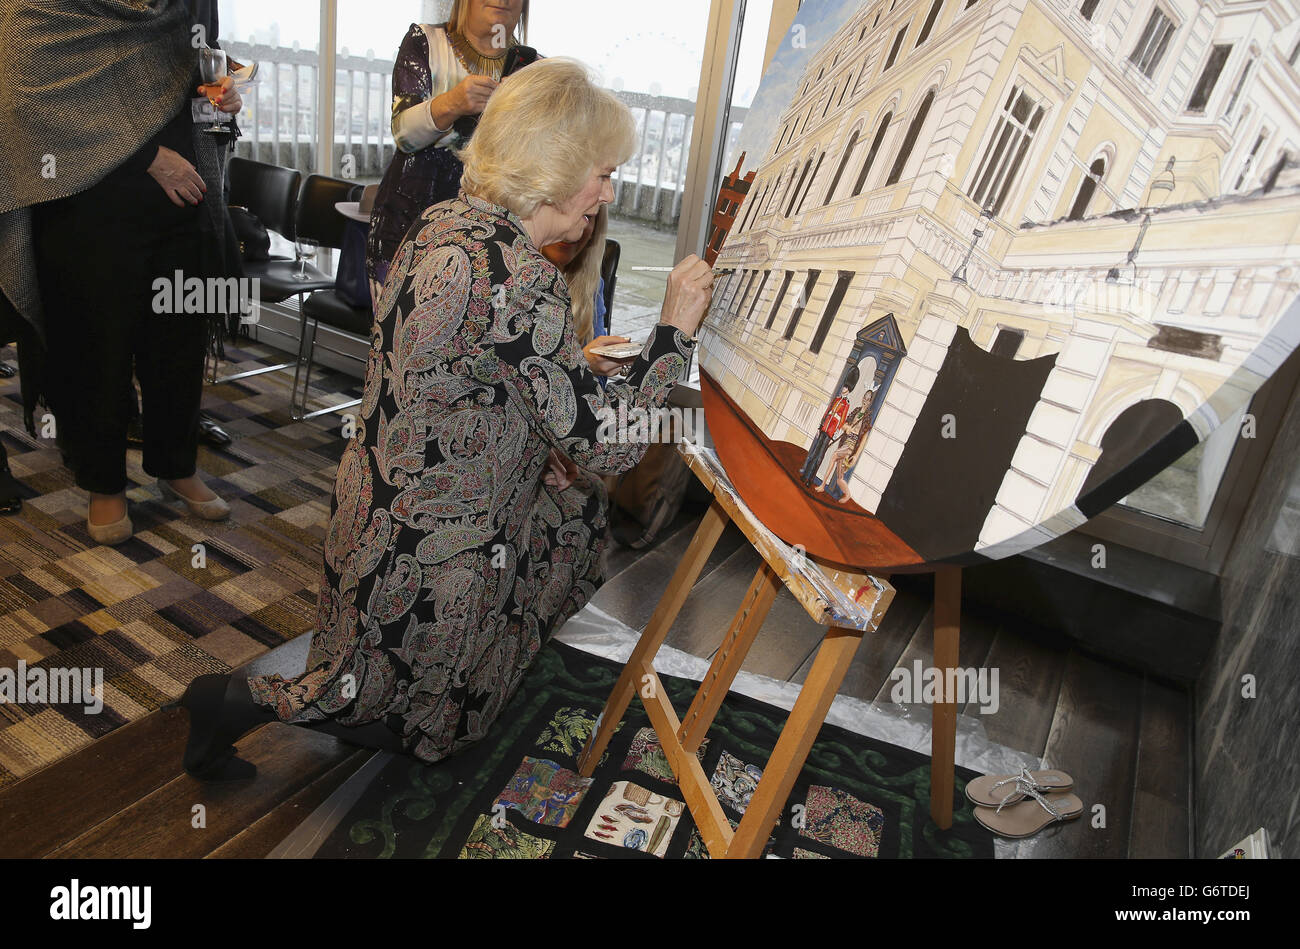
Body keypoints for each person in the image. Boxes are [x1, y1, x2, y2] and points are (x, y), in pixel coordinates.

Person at [173, 57, 713, 780]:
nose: (608, 194)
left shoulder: (445, 223)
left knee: (562, 519)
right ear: (555, 166)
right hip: (433, 558)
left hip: (374, 519)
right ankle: (230, 699)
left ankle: (428, 699)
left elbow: (470, 380)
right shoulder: (521, 277)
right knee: (379, 706)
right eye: (604, 173)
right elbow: (609, 448)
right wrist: (675, 330)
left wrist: (545, 422)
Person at [0, 0, 240, 545]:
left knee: (177, 344)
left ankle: (176, 465)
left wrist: (220, 100)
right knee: (93, 349)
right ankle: (103, 483)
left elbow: (195, 81)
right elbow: (24, 99)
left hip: (185, 201)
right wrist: (146, 158)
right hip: (85, 207)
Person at [366, 0, 530, 302]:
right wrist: (452, 103)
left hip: (489, 239)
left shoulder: (531, 69)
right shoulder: (425, 42)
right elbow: (404, 135)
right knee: (397, 336)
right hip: (406, 226)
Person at [540, 205, 634, 377]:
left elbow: (598, 386)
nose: (571, 227)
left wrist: (604, 364)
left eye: (587, 216)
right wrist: (580, 365)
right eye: (561, 210)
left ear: (595, 229)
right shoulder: (510, 277)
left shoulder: (592, 285)